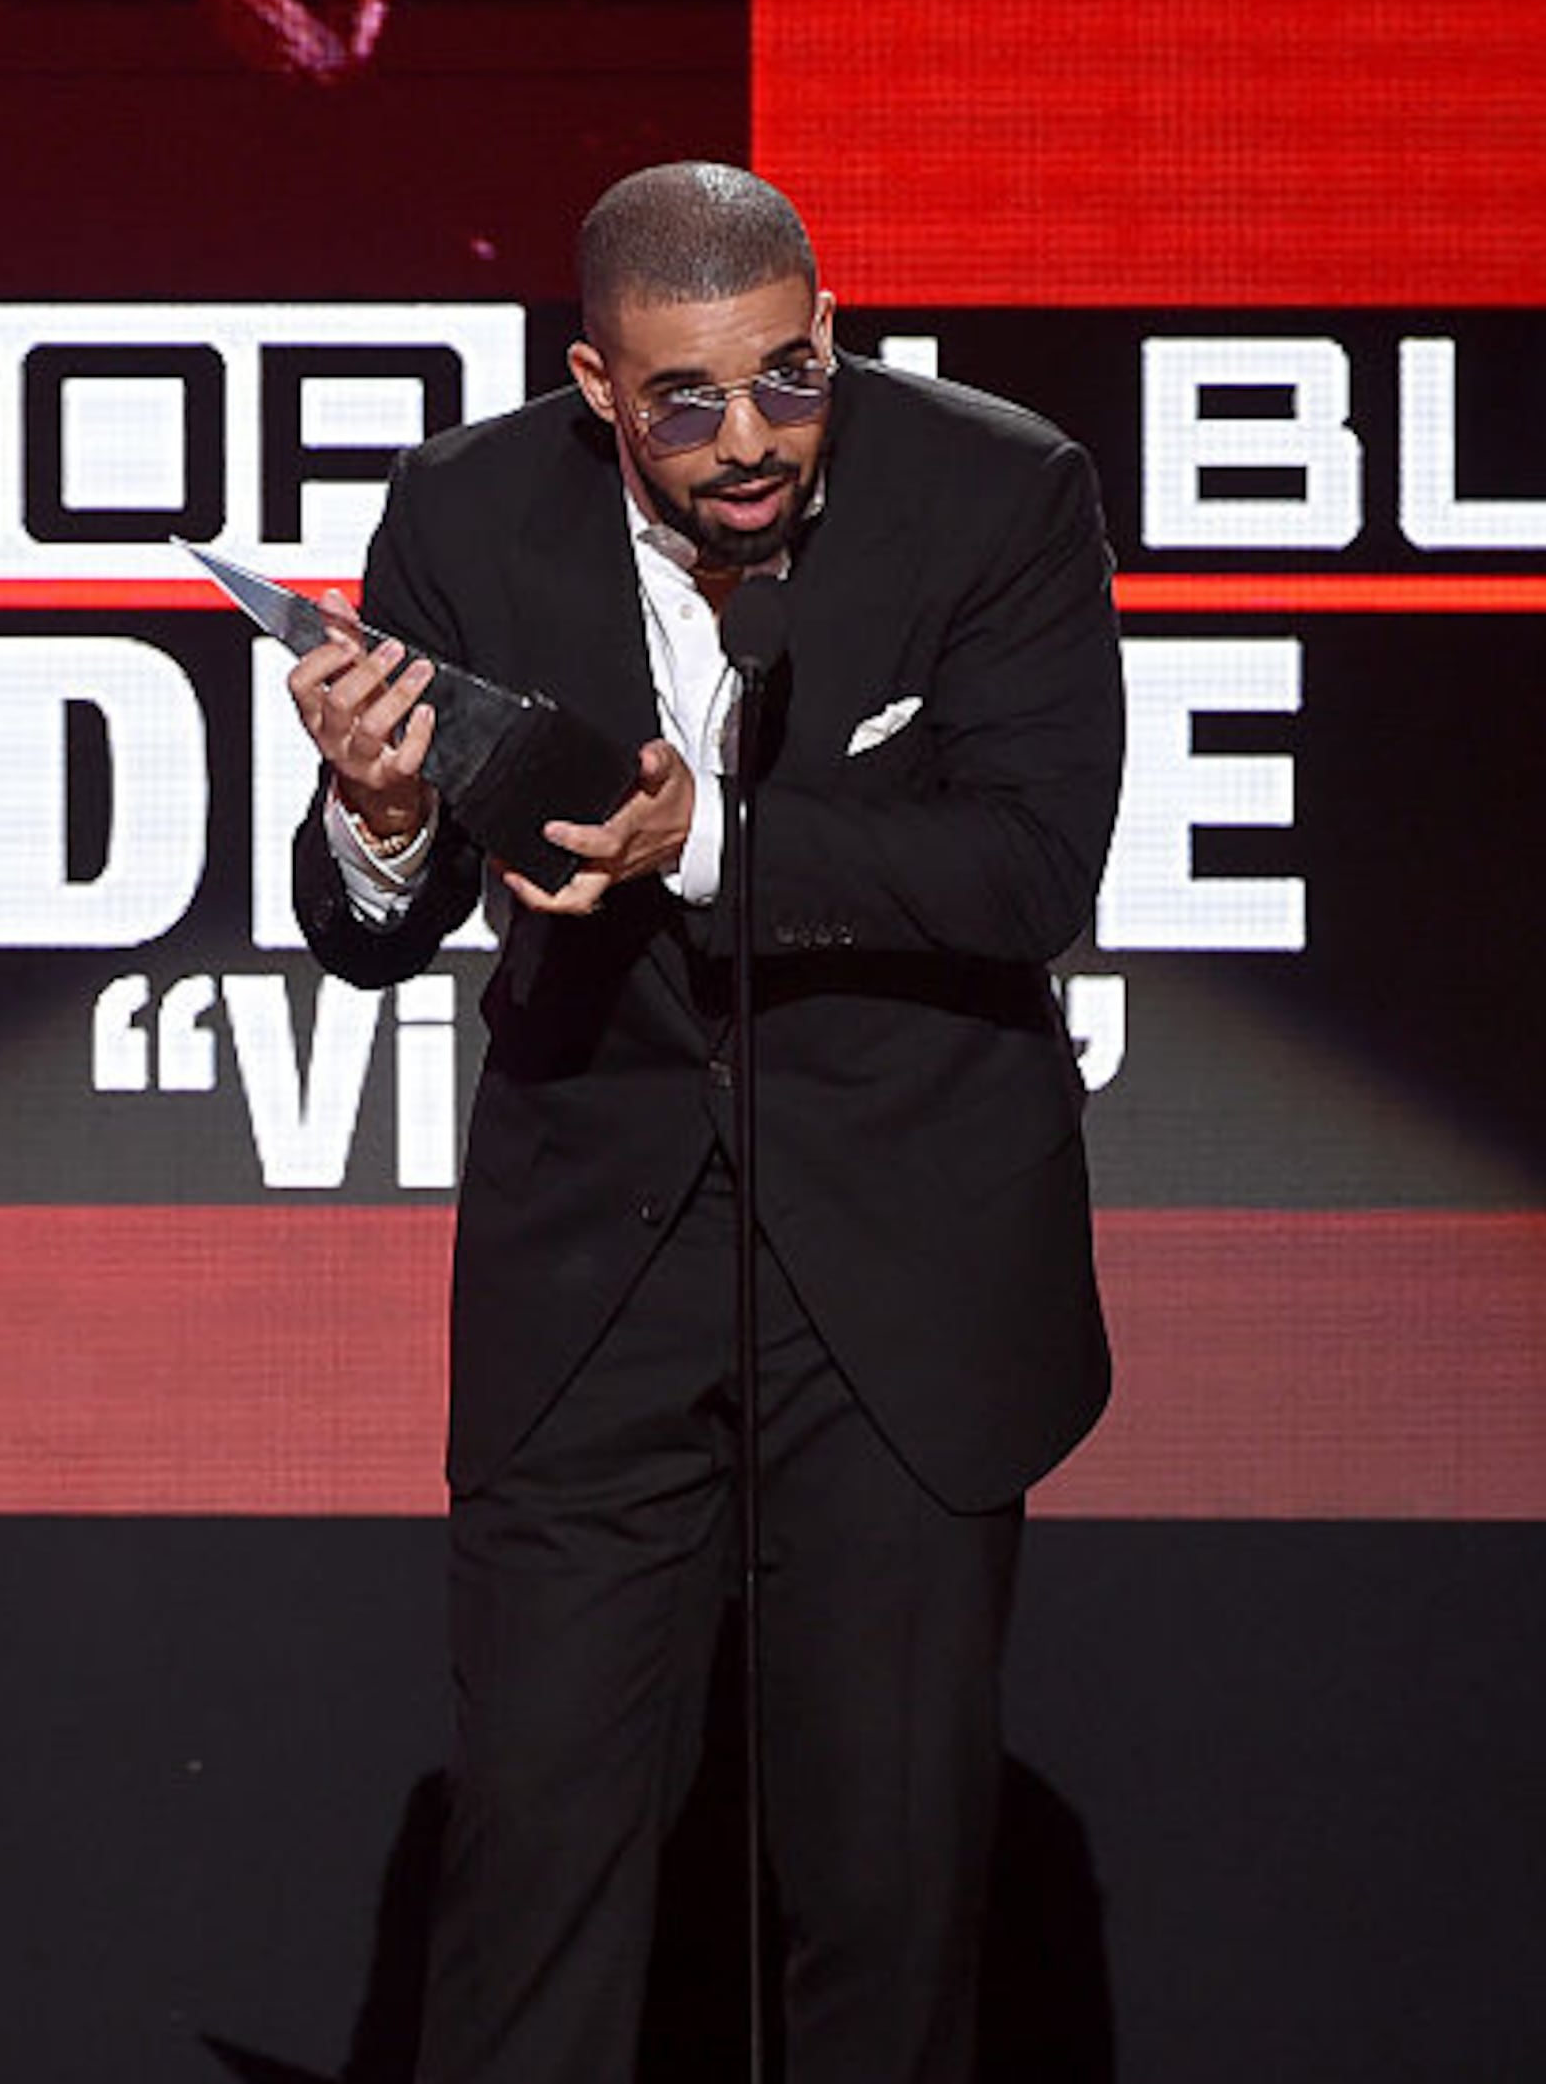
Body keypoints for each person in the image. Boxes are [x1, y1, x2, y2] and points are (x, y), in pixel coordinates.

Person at [286, 160, 1124, 2083]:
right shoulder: (465, 513)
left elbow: (1025, 868)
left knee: (892, 1893)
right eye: (687, 399)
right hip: (597, 1274)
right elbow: (363, 926)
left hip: (904, 1278)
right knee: (538, 1871)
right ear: (597, 384)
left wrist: (713, 840)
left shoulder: (1002, 492)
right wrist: (386, 815)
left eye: (791, 376)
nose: (751, 438)